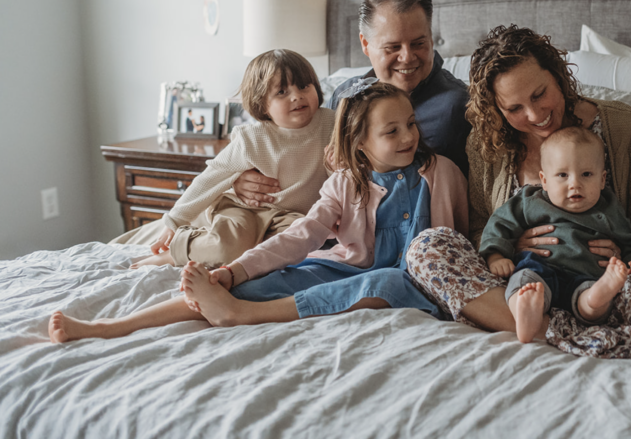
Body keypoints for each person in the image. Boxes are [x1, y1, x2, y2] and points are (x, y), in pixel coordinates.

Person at [405, 25, 631, 368]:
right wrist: (508, 248)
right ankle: (563, 331)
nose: (534, 115)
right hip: (523, 286)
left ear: (558, 75)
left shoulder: (621, 125)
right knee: (426, 248)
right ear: (496, 109)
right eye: (514, 108)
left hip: (611, 290)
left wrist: (630, 261)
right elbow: (480, 224)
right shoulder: (486, 146)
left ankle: (564, 330)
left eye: (539, 94)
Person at [49, 81, 468, 343]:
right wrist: (235, 271)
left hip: (407, 282)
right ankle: (110, 328)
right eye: (391, 131)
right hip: (343, 268)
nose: (409, 136)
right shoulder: (343, 183)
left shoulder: (441, 174)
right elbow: (300, 236)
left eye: (411, 124)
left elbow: (453, 244)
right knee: (252, 282)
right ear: (359, 142)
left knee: (382, 282)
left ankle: (242, 317)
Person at [233, 0, 472, 209]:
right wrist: (245, 178)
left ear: (431, 39)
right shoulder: (346, 95)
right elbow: (304, 155)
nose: (407, 57)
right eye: (392, 47)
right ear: (365, 44)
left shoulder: (459, 105)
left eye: (419, 43)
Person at [131, 49, 335, 268]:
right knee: (230, 246)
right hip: (245, 209)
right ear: (262, 104)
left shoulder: (333, 123)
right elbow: (211, 178)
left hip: (289, 216)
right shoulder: (253, 138)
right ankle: (177, 252)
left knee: (308, 245)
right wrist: (174, 221)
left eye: (304, 86)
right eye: (282, 92)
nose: (297, 96)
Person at [482, 126, 631, 343]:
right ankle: (526, 312)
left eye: (586, 174)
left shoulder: (609, 210)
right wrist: (496, 256)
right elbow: (500, 223)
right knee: (522, 282)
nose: (575, 183)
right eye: (563, 175)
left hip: (586, 275)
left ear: (602, 180)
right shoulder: (530, 201)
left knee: (592, 300)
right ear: (544, 180)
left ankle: (596, 298)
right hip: (539, 267)